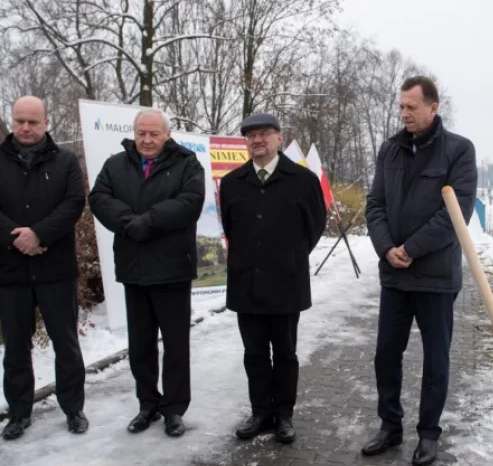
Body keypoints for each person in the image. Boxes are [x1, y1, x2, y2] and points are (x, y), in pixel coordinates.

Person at [363, 76, 477, 466]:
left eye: (411, 107)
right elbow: (375, 205)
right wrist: (386, 248)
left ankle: (428, 433)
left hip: (435, 277)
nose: (404, 113)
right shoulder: (390, 150)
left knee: (435, 360)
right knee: (385, 354)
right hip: (395, 275)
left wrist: (411, 248)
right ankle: (389, 426)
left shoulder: (458, 151)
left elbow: (455, 214)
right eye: (401, 106)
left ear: (433, 107)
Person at [0, 96, 89, 440]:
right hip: (12, 272)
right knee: (16, 348)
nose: (25, 127)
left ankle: (73, 408)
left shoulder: (65, 161)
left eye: (33, 122)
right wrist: (17, 238)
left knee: (66, 344)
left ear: (45, 123)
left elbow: (73, 204)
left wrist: (38, 234)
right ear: (12, 121)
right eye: (20, 121)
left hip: (56, 269)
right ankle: (19, 413)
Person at [88, 109, 204, 438]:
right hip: (134, 267)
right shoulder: (116, 165)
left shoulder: (187, 164)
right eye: (142, 133)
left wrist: (149, 221)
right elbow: (99, 198)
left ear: (167, 134)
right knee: (140, 345)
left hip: (173, 269)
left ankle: (174, 409)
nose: (147, 140)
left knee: (176, 345)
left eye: (154, 133)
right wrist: (129, 222)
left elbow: (190, 202)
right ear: (134, 133)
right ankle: (147, 404)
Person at [220, 113, 327, 444]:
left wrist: (289, 257)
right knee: (253, 354)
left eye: (265, 133)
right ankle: (260, 412)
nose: (258, 140)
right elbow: (231, 227)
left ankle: (284, 415)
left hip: (286, 283)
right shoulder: (232, 182)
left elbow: (315, 226)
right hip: (246, 283)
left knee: (285, 353)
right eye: (251, 135)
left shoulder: (303, 180)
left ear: (279, 138)